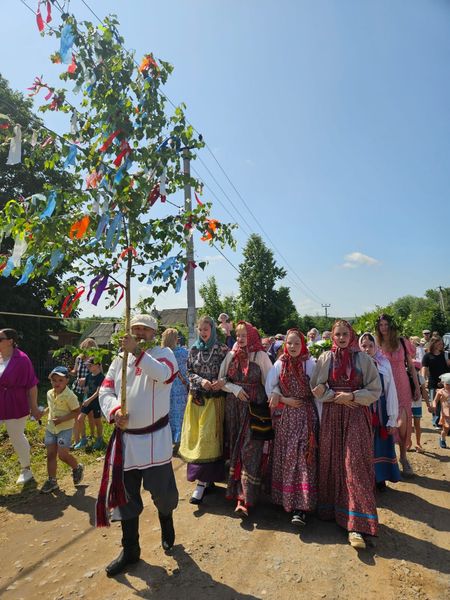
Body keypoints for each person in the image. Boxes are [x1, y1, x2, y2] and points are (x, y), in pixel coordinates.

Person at [97, 314, 179, 577]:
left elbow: (164, 375)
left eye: (145, 329)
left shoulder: (164, 354)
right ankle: (130, 549)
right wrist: (114, 411)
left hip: (155, 440)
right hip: (127, 442)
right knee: (126, 497)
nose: (139, 332)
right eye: (135, 328)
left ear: (154, 332)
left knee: (163, 494)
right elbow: (105, 390)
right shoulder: (119, 359)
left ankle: (166, 519)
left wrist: (137, 352)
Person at [310, 320, 381, 549]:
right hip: (333, 416)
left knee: (354, 465)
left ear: (352, 336)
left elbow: (375, 389)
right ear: (332, 336)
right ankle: (333, 510)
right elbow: (316, 387)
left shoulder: (363, 359)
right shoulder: (325, 358)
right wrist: (334, 396)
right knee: (333, 461)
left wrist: (352, 396)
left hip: (356, 415)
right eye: (338, 334)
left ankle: (357, 525)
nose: (341, 338)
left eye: (345, 334)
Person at [218, 321, 273, 517]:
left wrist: (271, 407)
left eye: (244, 335)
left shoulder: (261, 356)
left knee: (249, 450)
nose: (240, 339)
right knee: (236, 449)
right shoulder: (231, 355)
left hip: (254, 409)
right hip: (234, 408)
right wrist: (235, 388)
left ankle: (245, 498)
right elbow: (221, 380)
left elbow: (270, 383)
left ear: (252, 337)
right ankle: (237, 494)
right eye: (238, 335)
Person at [265, 329, 318, 526]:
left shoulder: (310, 364)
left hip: (306, 416)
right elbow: (269, 387)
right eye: (289, 343)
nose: (293, 347)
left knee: (303, 457)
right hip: (287, 417)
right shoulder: (280, 364)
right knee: (288, 456)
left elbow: (318, 391)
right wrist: (284, 399)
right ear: (285, 345)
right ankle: (285, 499)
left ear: (303, 344)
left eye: (297, 343)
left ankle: (301, 507)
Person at [179, 316, 229, 504]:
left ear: (213, 329)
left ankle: (202, 483)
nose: (203, 333)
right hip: (197, 400)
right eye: (200, 330)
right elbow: (189, 372)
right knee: (197, 438)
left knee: (209, 439)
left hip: (215, 401)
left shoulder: (222, 349)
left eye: (206, 329)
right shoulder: (193, 349)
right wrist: (202, 381)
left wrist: (221, 381)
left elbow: (230, 372)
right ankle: (204, 481)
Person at [375, 314, 420, 477]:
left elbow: (412, 367)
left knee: (403, 424)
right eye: (381, 325)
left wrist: (417, 386)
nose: (384, 328)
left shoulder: (402, 342)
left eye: (386, 324)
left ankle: (404, 458)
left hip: (402, 386)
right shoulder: (377, 344)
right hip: (386, 387)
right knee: (388, 423)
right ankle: (390, 461)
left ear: (392, 325)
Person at [359, 333, 401, 489]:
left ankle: (380, 478)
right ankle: (365, 480)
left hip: (381, 410)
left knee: (380, 442)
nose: (367, 349)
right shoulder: (356, 364)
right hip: (362, 409)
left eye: (371, 346)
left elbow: (391, 390)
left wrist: (392, 418)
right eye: (364, 346)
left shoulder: (383, 363)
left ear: (376, 347)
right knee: (363, 443)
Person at [0, 328, 40, 484]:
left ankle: (26, 469)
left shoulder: (22, 359)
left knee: (16, 436)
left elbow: (32, 385)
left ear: (10, 341)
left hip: (15, 402)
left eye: (0, 339)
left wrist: (34, 407)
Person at [41, 366, 84, 493]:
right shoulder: (49, 393)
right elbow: (50, 407)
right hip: (51, 428)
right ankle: (52, 481)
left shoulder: (70, 396)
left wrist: (61, 419)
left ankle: (77, 467)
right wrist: (42, 413)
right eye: (54, 380)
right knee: (50, 454)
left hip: (64, 429)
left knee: (63, 455)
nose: (57, 383)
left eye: (60, 380)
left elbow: (77, 411)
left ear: (67, 380)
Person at [161, 328, 188, 453]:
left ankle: (167, 440)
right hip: (180, 389)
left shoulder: (161, 353)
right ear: (176, 339)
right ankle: (179, 441)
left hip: (166, 388)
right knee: (180, 415)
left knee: (167, 415)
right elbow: (187, 371)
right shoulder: (183, 353)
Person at [71, 338, 97, 448]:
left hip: (90, 391)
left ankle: (92, 435)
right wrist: (70, 371)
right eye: (86, 348)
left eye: (90, 348)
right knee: (78, 414)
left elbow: (98, 374)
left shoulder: (95, 360)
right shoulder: (79, 358)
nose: (88, 351)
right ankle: (81, 438)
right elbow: (75, 371)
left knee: (90, 415)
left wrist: (86, 380)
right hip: (78, 390)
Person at [74, 358, 105, 450]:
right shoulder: (88, 376)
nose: (88, 367)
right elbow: (87, 389)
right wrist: (84, 389)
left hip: (96, 402)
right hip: (88, 401)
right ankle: (83, 439)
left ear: (97, 365)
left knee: (97, 421)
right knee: (80, 419)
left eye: (90, 365)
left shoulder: (101, 377)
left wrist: (88, 400)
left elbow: (98, 392)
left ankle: (99, 439)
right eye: (87, 365)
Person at [421, 337, 450, 429]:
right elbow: (424, 368)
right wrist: (423, 379)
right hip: (433, 382)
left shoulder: (445, 354)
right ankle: (436, 421)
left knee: (446, 402)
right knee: (435, 402)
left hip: (446, 383)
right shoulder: (427, 356)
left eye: (442, 344)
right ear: (433, 344)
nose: (441, 345)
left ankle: (444, 420)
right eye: (439, 343)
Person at [433, 373, 450, 448]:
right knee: (446, 428)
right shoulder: (441, 391)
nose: (449, 386)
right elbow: (435, 400)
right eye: (447, 384)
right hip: (446, 413)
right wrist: (434, 406)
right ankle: (442, 438)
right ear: (443, 383)